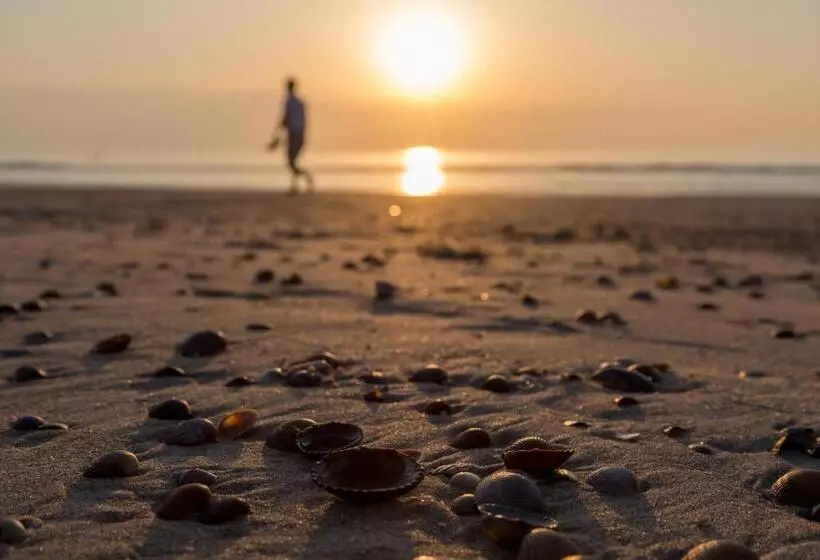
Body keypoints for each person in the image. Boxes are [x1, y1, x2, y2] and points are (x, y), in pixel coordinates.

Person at [268, 77, 314, 194]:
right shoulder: (300, 102)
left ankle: (303, 180)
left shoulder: (289, 101)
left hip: (293, 134)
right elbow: (303, 121)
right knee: (293, 161)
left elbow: (285, 118)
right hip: (299, 134)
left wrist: (277, 133)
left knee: (291, 162)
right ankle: (297, 184)